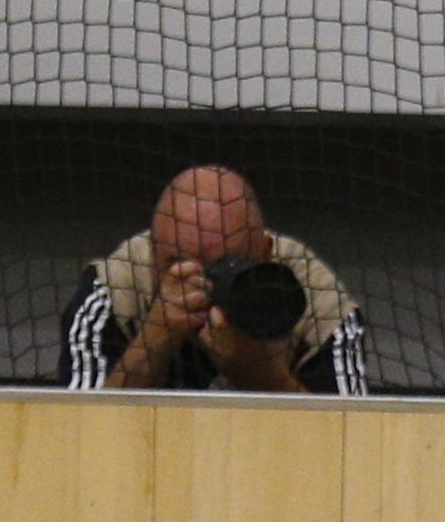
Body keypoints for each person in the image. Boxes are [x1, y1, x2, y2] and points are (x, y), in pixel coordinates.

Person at [58, 164, 366, 394]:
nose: (201, 286)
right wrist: (153, 340)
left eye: (223, 265)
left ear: (265, 253)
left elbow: (352, 444)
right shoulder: (116, 289)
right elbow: (79, 437)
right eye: (178, 265)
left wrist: (260, 374)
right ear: (152, 256)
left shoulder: (315, 299)